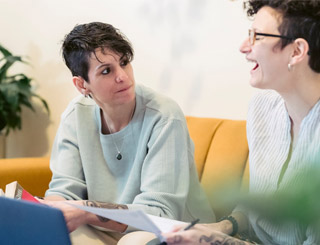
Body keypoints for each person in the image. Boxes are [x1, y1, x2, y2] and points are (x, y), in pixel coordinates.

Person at [158, 0, 320, 244]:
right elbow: (257, 209)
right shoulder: (262, 109)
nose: (244, 47)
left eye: (257, 36)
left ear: (296, 51)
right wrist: (218, 228)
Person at [41, 22, 215, 244]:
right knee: (58, 234)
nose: (123, 76)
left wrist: (85, 209)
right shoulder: (76, 116)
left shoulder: (164, 116)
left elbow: (160, 212)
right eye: (106, 71)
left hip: (176, 230)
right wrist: (49, 213)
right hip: (105, 228)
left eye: (124, 63)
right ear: (82, 85)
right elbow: (64, 191)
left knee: (135, 242)